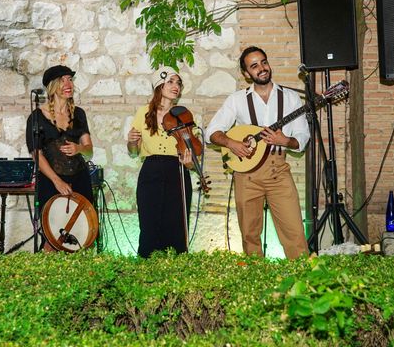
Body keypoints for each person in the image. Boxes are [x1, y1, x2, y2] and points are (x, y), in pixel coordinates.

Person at [206, 46, 309, 259]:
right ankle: (257, 284)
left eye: (263, 62)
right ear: (246, 74)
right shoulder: (237, 100)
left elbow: (302, 136)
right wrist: (231, 143)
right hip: (246, 176)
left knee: (295, 235)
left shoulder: (289, 97)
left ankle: (302, 285)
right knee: (250, 236)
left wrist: (285, 140)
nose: (261, 68)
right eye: (254, 66)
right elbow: (211, 133)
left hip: (278, 171)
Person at [127, 67, 194, 258]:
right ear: (159, 85)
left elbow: (192, 158)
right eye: (171, 82)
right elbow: (133, 152)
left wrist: (188, 162)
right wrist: (131, 141)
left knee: (177, 227)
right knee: (149, 226)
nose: (176, 86)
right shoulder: (143, 113)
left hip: (177, 171)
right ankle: (146, 276)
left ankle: (175, 277)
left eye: (179, 83)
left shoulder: (184, 115)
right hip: (151, 170)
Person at [25, 65, 94, 226]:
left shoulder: (79, 114)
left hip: (80, 179)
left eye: (70, 80)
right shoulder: (36, 117)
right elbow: (37, 154)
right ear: (52, 86)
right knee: (53, 233)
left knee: (84, 228)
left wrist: (79, 149)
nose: (68, 84)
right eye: (62, 81)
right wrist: (57, 181)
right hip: (51, 182)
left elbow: (89, 151)